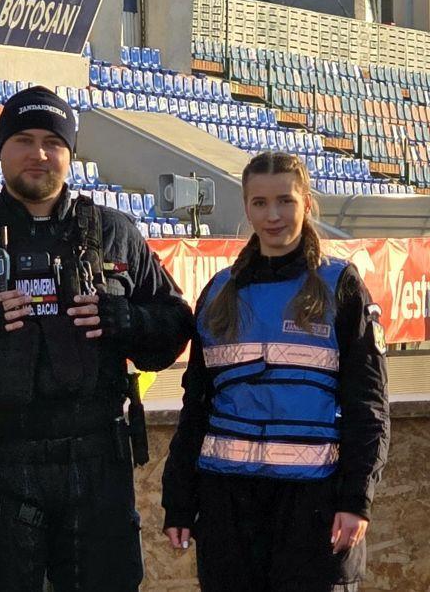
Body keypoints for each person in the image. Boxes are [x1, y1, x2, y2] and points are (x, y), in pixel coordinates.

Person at [0, 86, 193, 592]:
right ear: (1, 150)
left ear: (70, 154)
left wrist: (127, 321)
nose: (39, 153)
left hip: (97, 469)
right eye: (24, 140)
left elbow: (173, 328)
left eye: (53, 142)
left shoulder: (114, 233)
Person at [161, 151, 390, 592]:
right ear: (246, 208)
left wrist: (356, 500)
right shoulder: (218, 291)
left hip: (314, 507)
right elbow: (196, 408)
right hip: (228, 507)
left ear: (307, 203)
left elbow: (368, 405)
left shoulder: (340, 285)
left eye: (285, 201)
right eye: (260, 203)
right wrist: (179, 500)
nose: (273, 215)